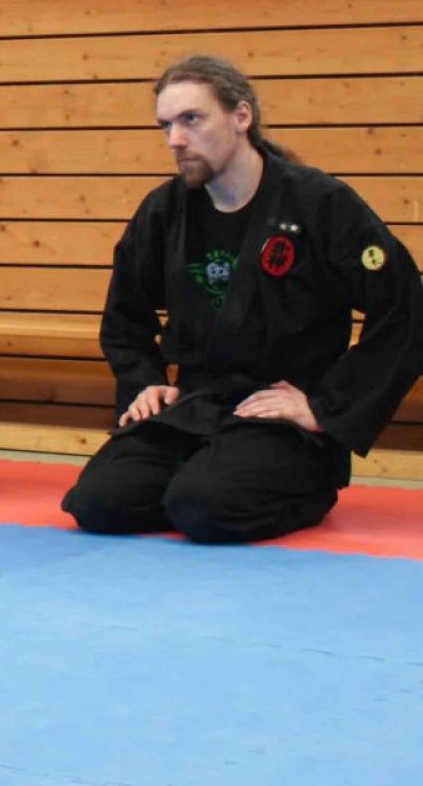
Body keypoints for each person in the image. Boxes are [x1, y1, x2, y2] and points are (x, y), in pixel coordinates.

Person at [61, 56, 423, 544]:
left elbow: (405, 308)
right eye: (166, 126)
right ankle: (207, 476)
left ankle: (303, 485)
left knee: (202, 506)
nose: (175, 140)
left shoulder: (319, 204)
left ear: (241, 116)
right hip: (195, 408)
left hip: (280, 418)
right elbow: (125, 315)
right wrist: (145, 382)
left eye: (192, 119)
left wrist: (326, 407)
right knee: (98, 502)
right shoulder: (165, 210)